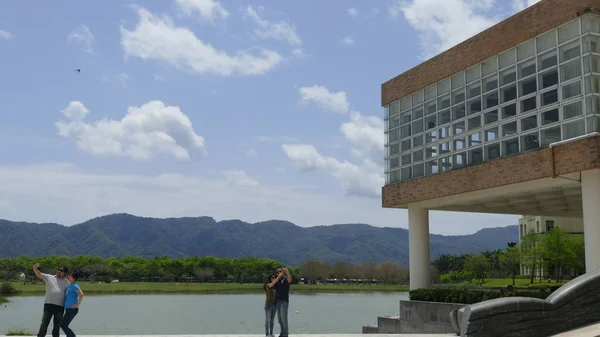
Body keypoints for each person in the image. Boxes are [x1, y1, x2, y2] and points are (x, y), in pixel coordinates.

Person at [33, 263, 70, 337]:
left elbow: (70, 295)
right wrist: (34, 268)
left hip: (60, 307)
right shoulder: (49, 277)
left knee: (57, 326)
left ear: (65, 273)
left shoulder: (67, 283)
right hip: (48, 305)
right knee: (44, 324)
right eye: (58, 269)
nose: (59, 271)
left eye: (61, 270)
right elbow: (39, 274)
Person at [62, 272, 84, 337]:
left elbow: (81, 294)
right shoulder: (70, 285)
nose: (68, 277)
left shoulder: (75, 286)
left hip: (72, 309)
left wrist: (78, 304)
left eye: (70, 276)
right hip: (68, 309)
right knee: (64, 325)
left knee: (63, 325)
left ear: (74, 278)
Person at [274, 267, 292, 337]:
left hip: (284, 301)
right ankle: (282, 333)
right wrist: (278, 278)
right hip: (278, 301)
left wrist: (287, 272)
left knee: (284, 318)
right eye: (277, 272)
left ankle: (285, 334)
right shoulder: (277, 280)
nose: (279, 273)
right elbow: (271, 285)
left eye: (280, 271)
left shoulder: (285, 279)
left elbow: (290, 280)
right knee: (279, 319)